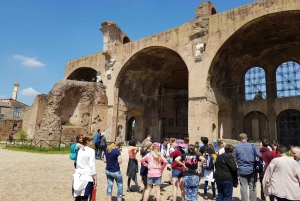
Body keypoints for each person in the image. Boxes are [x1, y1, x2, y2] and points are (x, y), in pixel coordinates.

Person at [234, 133, 261, 201]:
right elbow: (259, 155)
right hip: (252, 169)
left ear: (239, 139)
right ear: (247, 138)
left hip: (241, 169)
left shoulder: (237, 147)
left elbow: (234, 157)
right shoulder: (252, 146)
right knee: (252, 187)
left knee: (243, 187)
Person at [72, 136, 97, 201]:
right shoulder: (91, 151)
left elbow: (78, 163)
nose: (93, 142)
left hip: (78, 176)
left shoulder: (80, 150)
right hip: (86, 177)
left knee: (78, 198)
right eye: (92, 141)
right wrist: (95, 178)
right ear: (87, 141)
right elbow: (92, 166)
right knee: (86, 198)